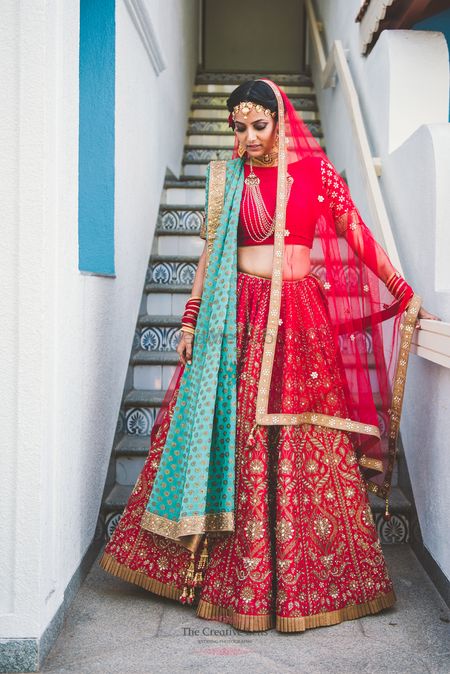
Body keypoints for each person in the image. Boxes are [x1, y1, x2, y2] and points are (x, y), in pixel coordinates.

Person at [99, 79, 440, 632]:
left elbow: (356, 233)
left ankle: (316, 577)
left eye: (260, 125)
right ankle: (239, 576)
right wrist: (189, 319)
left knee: (307, 438)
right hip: (238, 319)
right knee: (241, 437)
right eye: (240, 127)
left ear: (280, 121)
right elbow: (211, 256)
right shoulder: (226, 180)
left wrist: (400, 288)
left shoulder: (315, 174)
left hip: (302, 318)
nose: (250, 137)